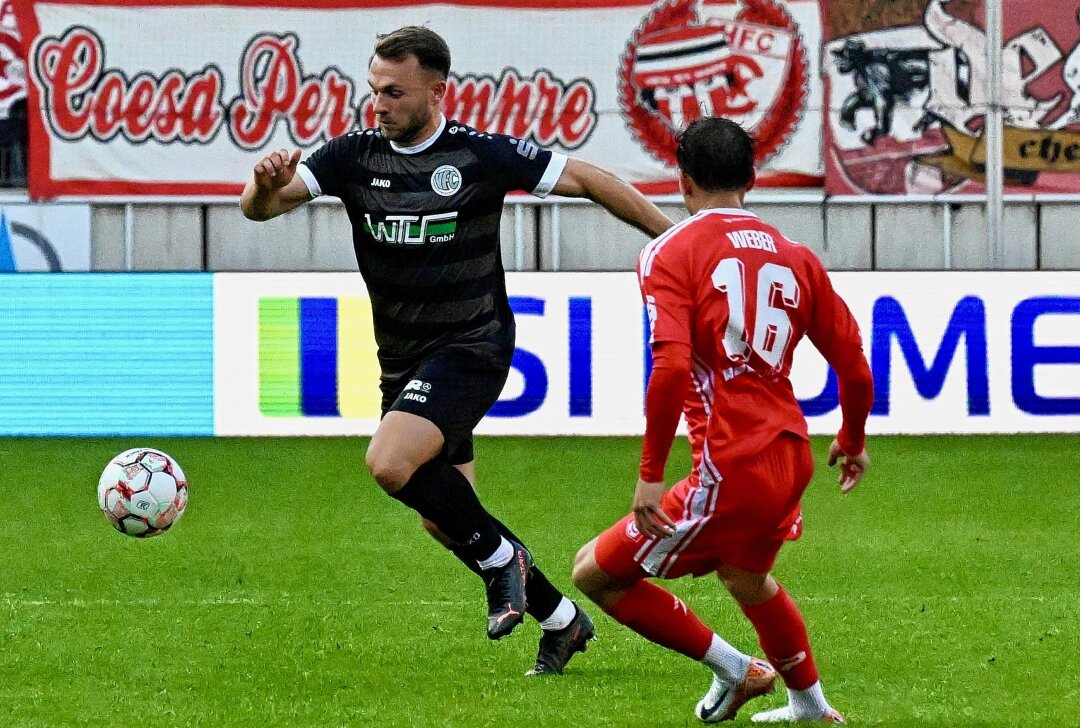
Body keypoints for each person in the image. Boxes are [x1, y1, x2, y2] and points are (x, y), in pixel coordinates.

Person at [239, 26, 673, 676]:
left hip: (474, 346)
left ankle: (505, 566)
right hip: (404, 363)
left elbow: (587, 178)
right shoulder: (351, 157)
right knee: (445, 519)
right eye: (373, 90)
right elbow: (260, 211)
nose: (377, 105)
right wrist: (260, 182)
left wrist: (675, 240)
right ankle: (562, 621)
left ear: (438, 90)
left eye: (393, 92)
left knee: (390, 463)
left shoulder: (481, 155)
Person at [571, 117, 874, 723]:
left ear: (682, 182)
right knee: (745, 576)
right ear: (753, 179)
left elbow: (672, 366)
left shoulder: (670, 251)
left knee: (596, 575)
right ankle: (810, 705)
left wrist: (651, 474)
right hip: (792, 455)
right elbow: (855, 366)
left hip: (729, 463)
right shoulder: (796, 257)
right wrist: (853, 438)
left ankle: (739, 672)